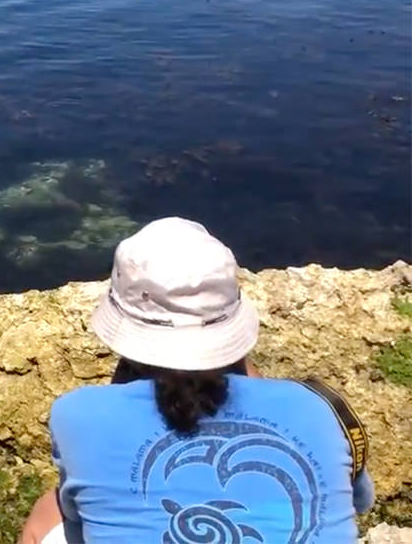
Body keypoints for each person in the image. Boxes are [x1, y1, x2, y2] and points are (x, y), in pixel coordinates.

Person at [20, 217, 374, 544]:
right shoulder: (323, 410)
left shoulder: (78, 414)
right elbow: (355, 502)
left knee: (49, 514)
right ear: (234, 320)